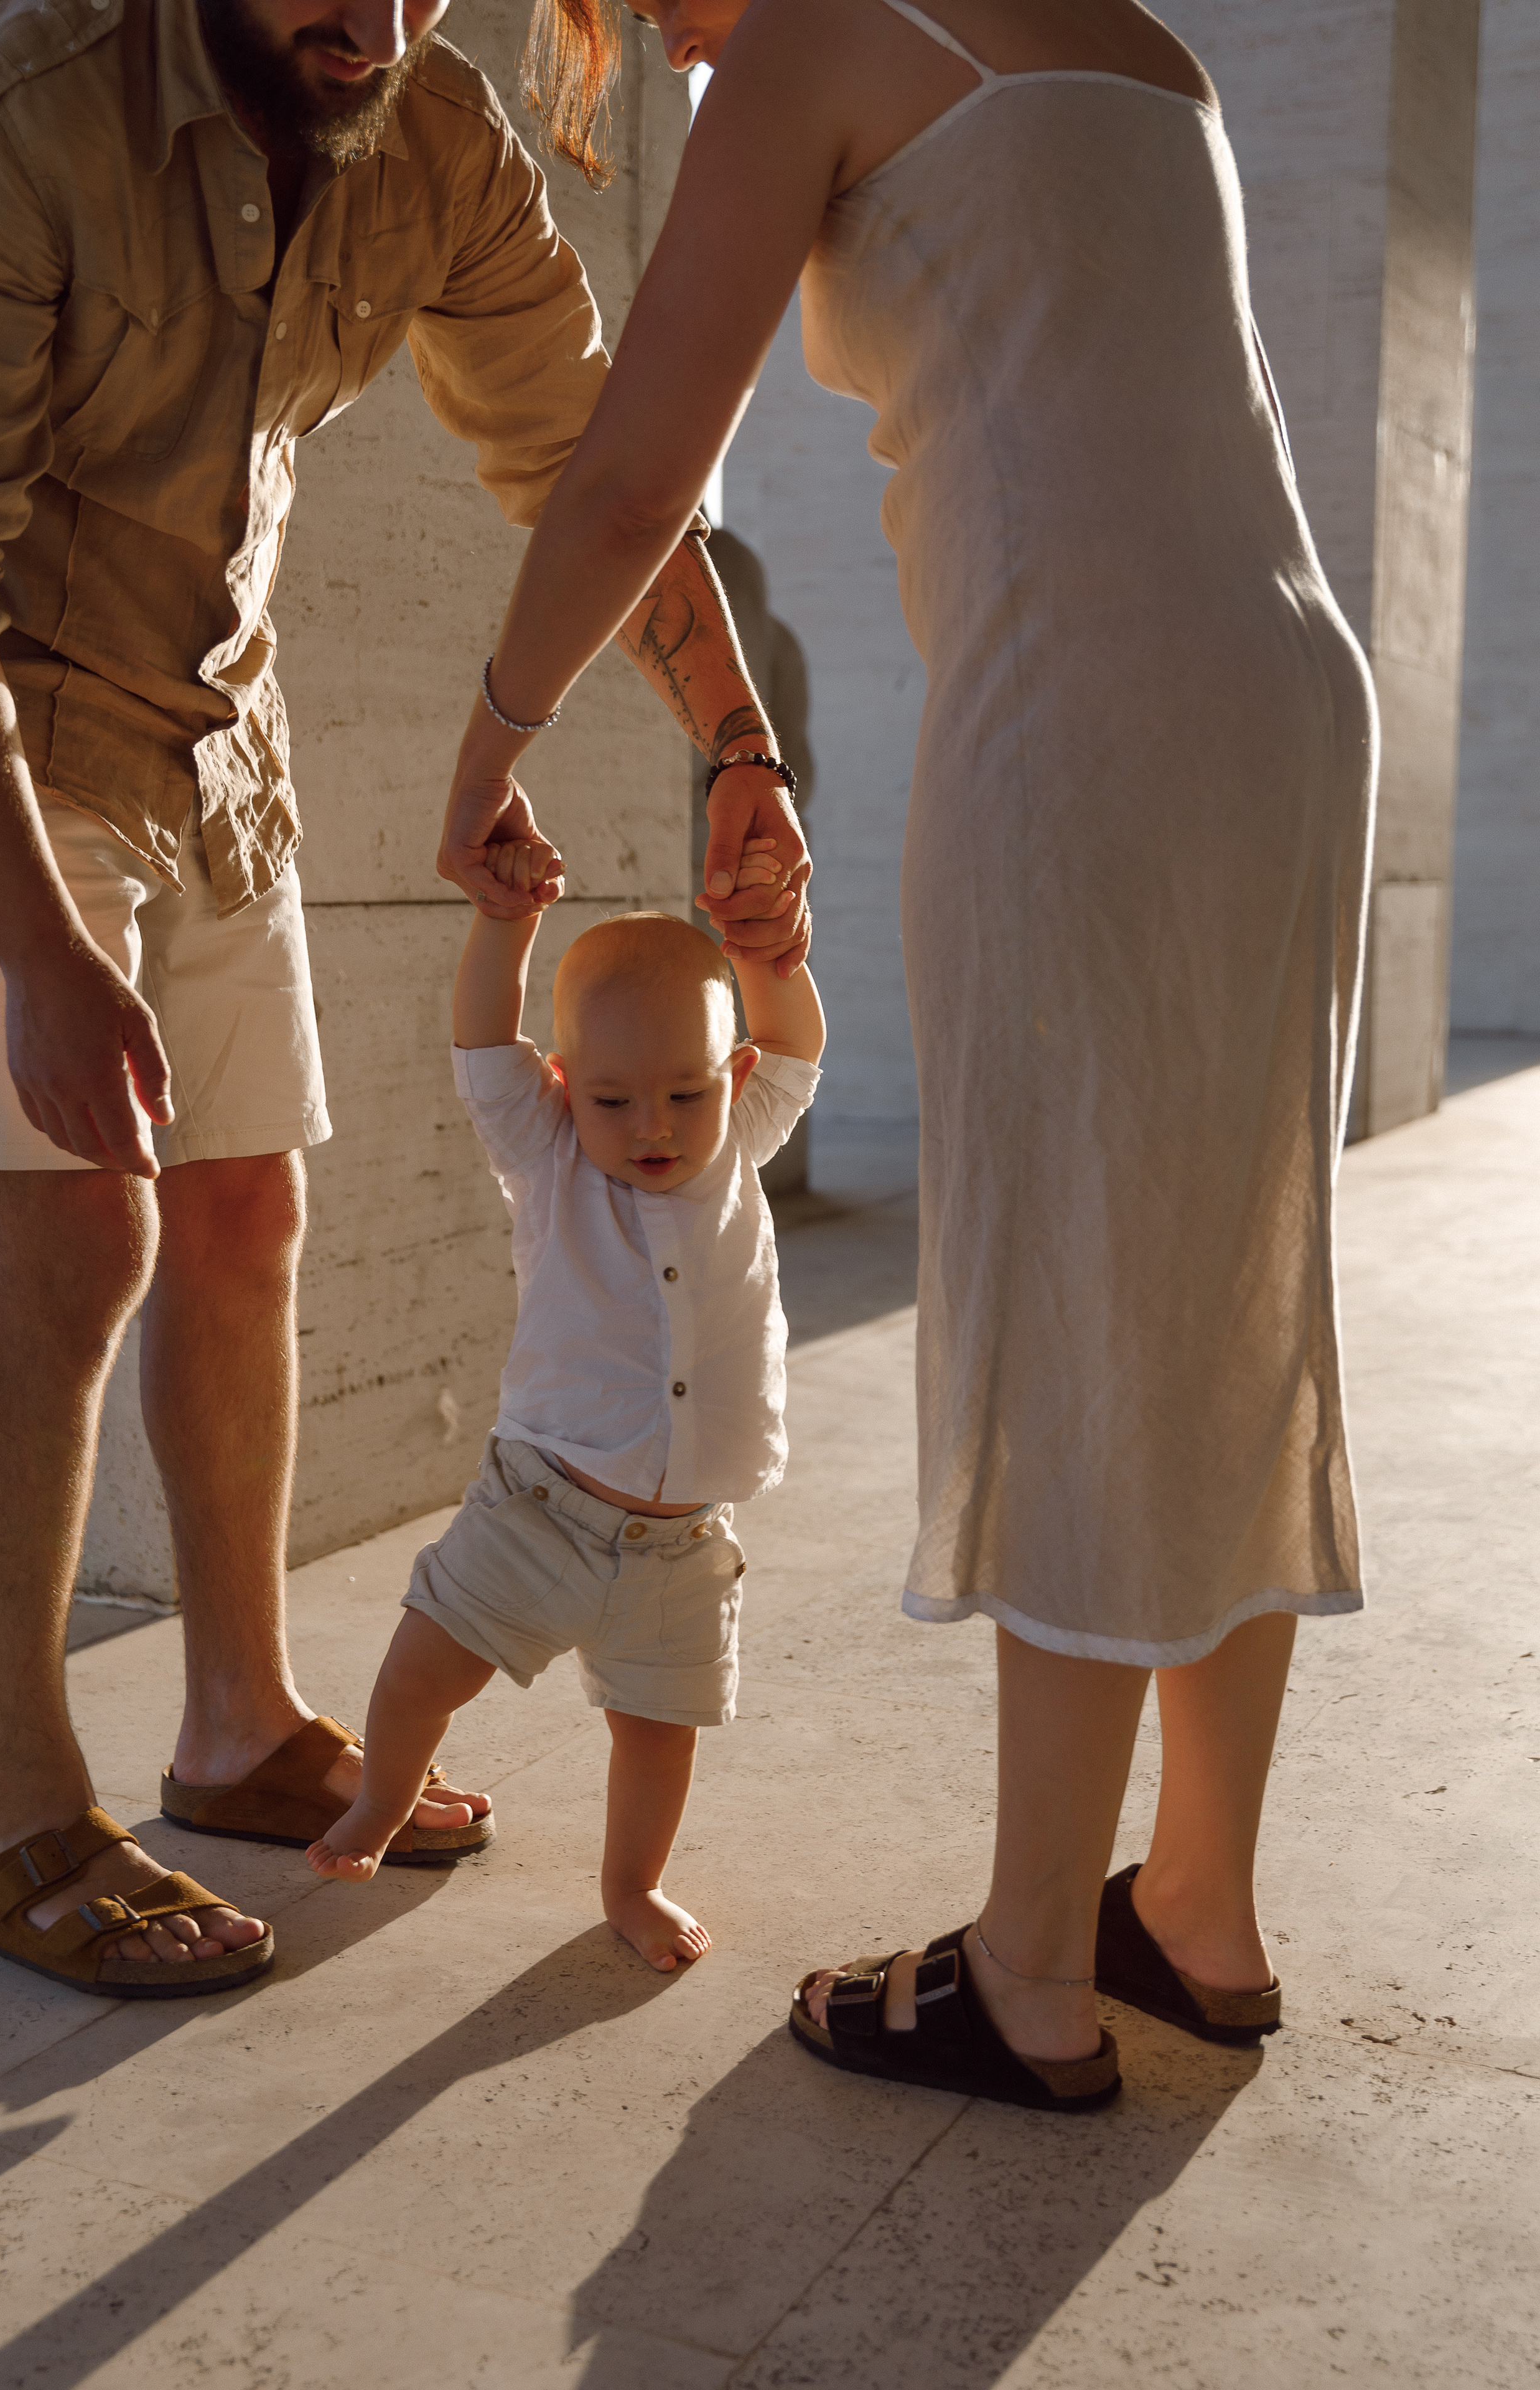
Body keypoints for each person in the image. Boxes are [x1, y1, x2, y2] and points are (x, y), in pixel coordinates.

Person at [431, 0, 1376, 2109]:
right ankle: (1199, 1913)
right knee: (1232, 1294)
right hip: (1292, 698)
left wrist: (484, 744)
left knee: (1066, 1294)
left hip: (1088, 719)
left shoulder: (814, 41)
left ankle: (1033, 1963)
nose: (665, 39)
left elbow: (628, 474)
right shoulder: (1145, 45)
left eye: (646, 4)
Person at [0, 0, 808, 2000]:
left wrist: (737, 748)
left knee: (247, 1214)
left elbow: (595, 464)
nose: (375, 22)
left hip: (215, 732)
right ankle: (9, 1799)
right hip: (6, 740)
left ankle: (235, 1726)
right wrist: (43, 956)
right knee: (79, 1236)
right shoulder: (18, 106)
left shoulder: (434, 134)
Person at [304, 837, 824, 1972]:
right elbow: (484, 1042)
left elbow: (795, 1039)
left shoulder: (738, 1139)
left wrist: (766, 952)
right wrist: (505, 926)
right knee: (422, 1670)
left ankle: (631, 1887)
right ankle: (383, 1802)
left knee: (657, 1731)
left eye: (685, 1094)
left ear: (729, 1083)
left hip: (683, 1541)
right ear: (561, 1088)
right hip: (537, 1507)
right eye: (613, 1098)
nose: (652, 1127)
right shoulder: (547, 1157)